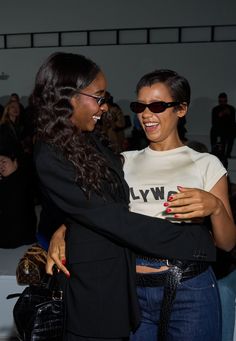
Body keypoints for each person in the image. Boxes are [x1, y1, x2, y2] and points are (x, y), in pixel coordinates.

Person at [32, 53, 224, 341]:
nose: (105, 106)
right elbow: (111, 217)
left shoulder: (91, 139)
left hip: (139, 287)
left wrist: (66, 226)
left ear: (181, 109)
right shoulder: (51, 153)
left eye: (105, 96)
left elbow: (104, 204)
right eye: (99, 97)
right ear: (69, 96)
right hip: (98, 295)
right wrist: (194, 242)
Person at [0, 125, 37, 248]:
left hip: (17, 239)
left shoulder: (19, 181)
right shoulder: (9, 180)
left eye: (4, 162)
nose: (0, 166)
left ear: (15, 162)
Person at [210, 92, 236, 159]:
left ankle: (228, 154)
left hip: (229, 129)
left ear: (226, 101)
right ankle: (215, 152)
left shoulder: (231, 109)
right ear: (219, 101)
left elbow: (233, 122)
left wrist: (229, 114)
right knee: (213, 131)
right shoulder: (215, 109)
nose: (223, 103)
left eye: (224, 101)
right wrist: (219, 115)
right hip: (219, 128)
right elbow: (214, 122)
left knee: (231, 133)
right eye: (221, 101)